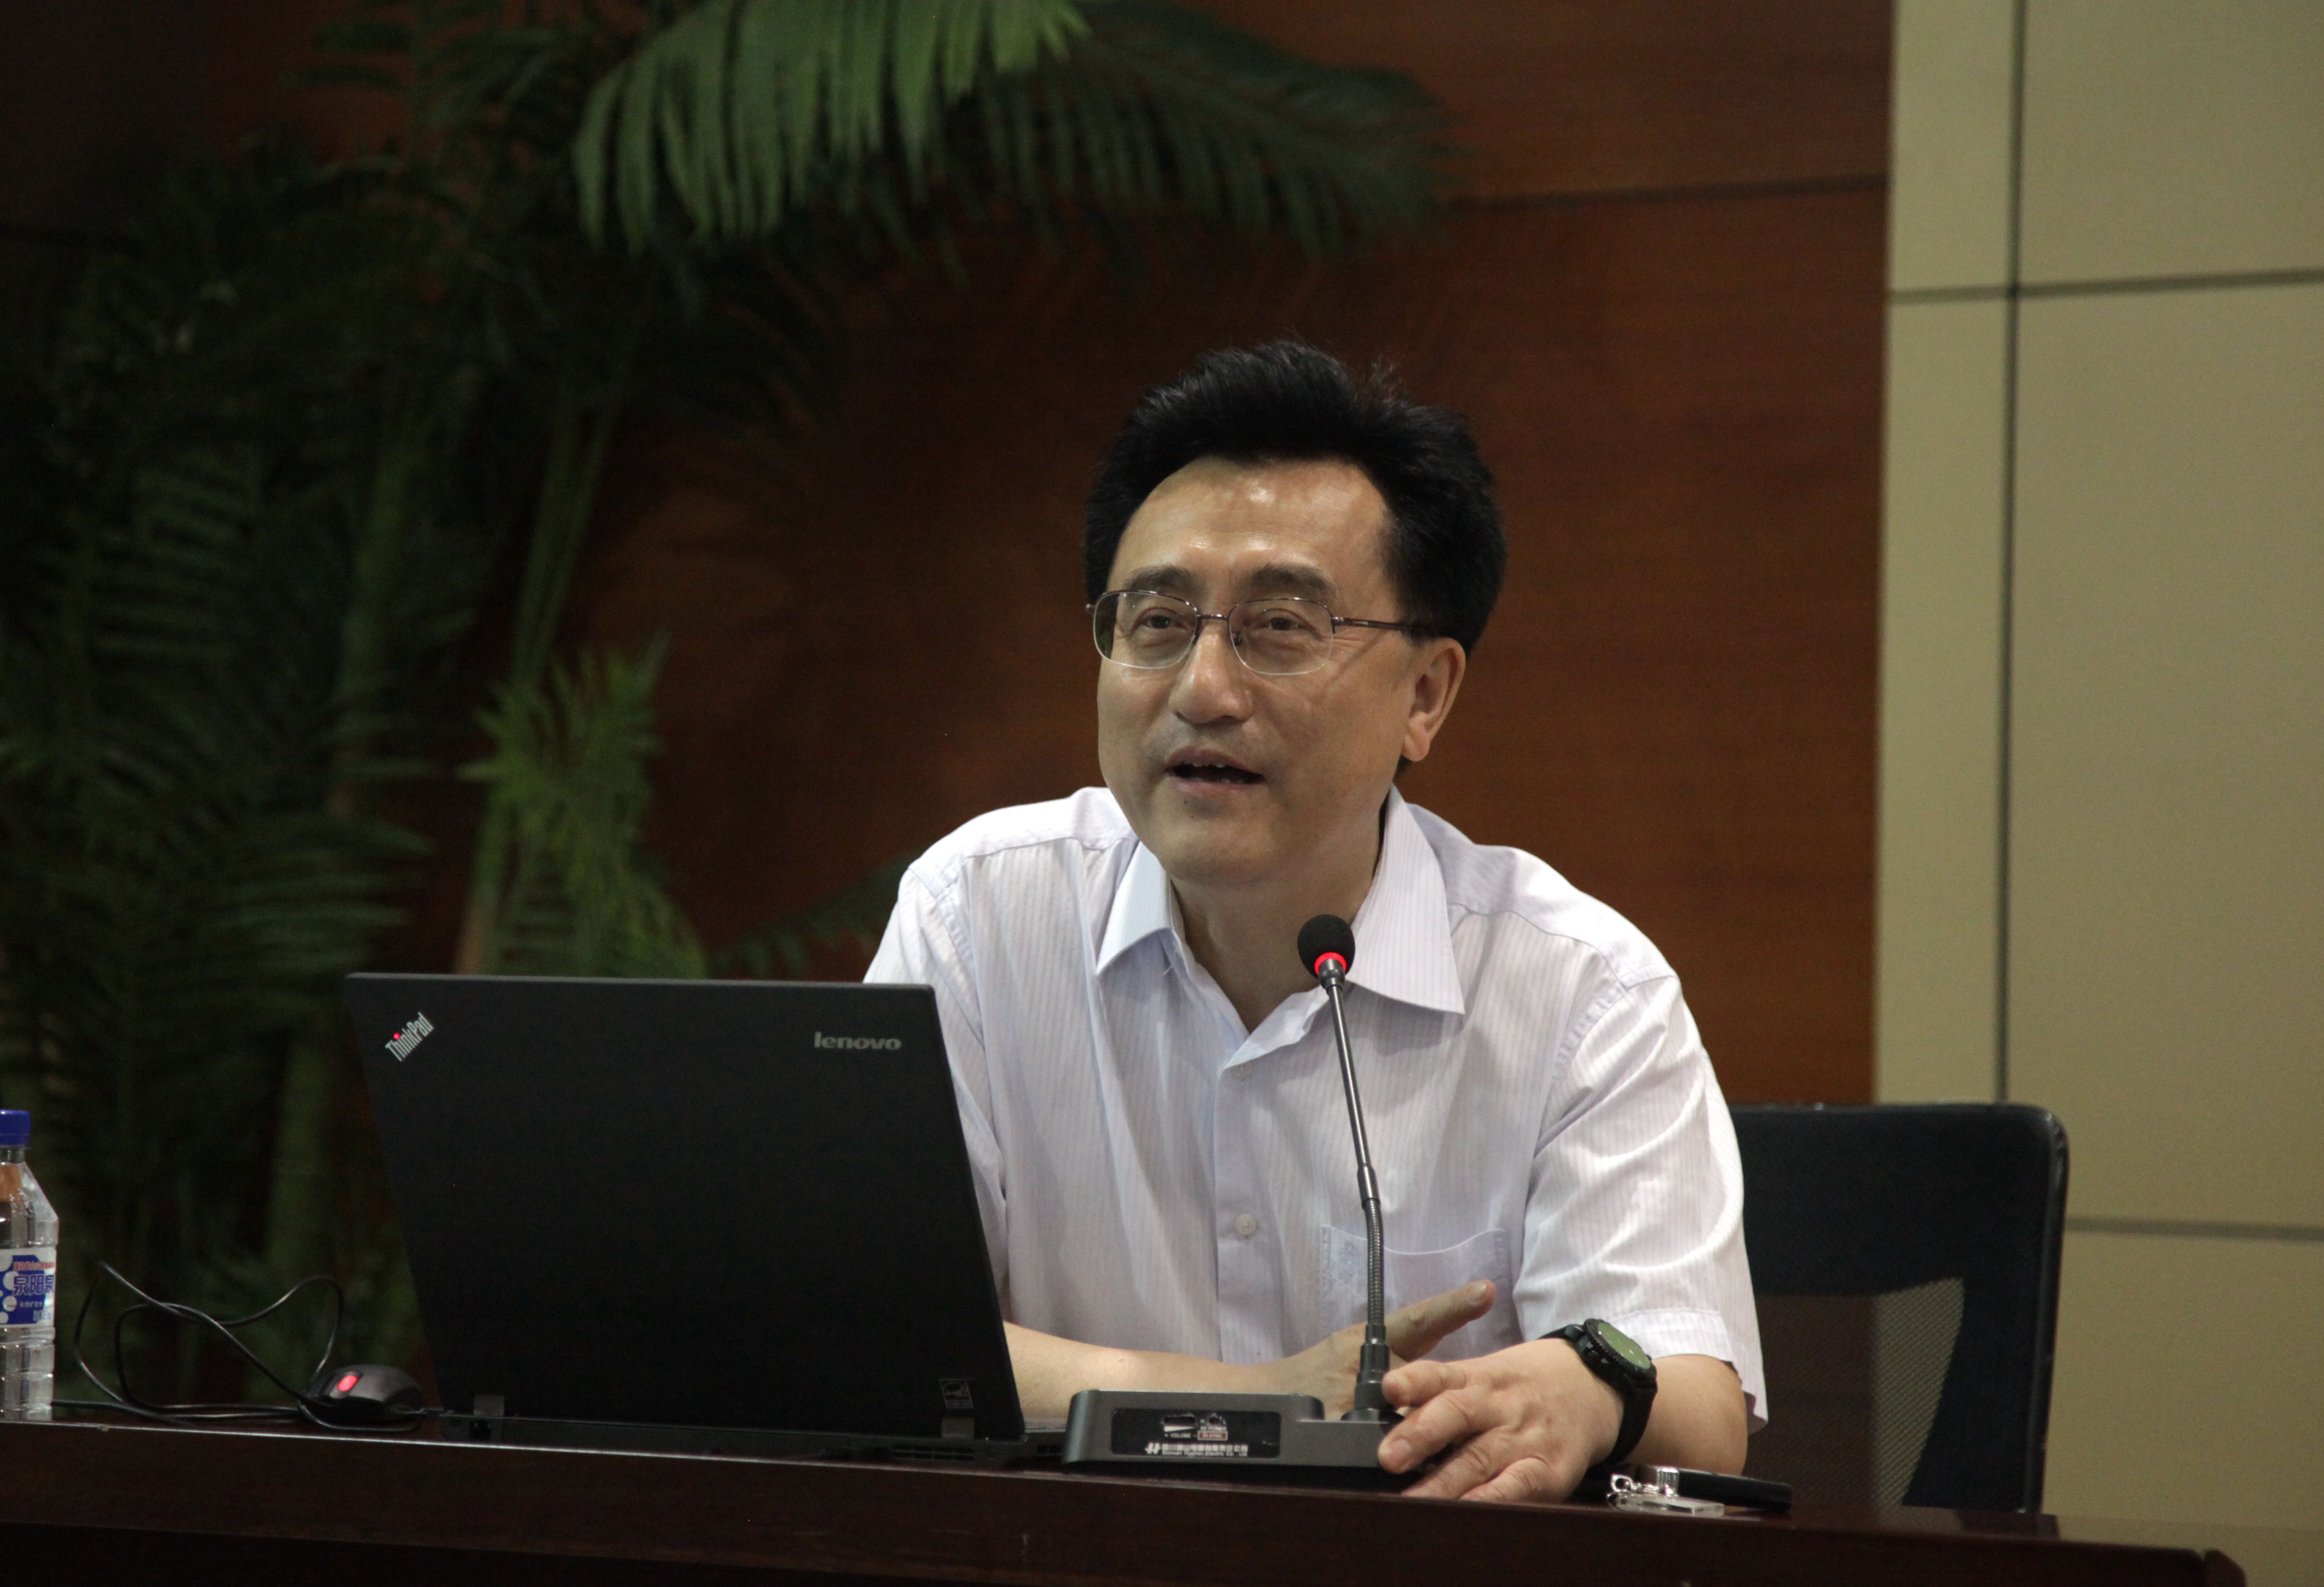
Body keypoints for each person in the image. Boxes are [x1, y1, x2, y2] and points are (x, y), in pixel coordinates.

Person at [867, 341, 1762, 1502]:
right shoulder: (977, 917)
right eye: (1157, 621)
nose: (1203, 689)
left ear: (1426, 695)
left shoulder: (1581, 991)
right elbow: (876, 1337)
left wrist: (1583, 1392)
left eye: (1281, 627)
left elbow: (1698, 1403)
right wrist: (1260, 1401)